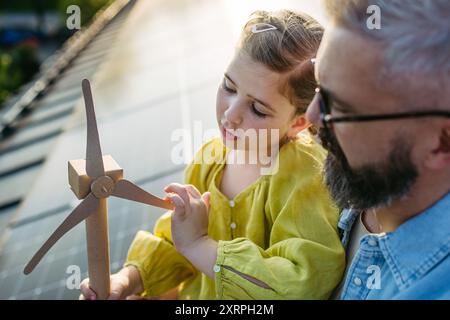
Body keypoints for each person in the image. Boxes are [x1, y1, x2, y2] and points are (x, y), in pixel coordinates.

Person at [80, 9, 345, 300]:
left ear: (298, 121)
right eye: (229, 87)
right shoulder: (210, 160)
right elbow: (176, 242)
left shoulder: (304, 175)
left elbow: (303, 281)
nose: (230, 115)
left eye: (257, 109)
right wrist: (128, 281)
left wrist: (199, 246)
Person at [305, 0, 450, 299]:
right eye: (319, 88)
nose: (310, 117)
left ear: (441, 143)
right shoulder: (359, 175)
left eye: (340, 108)